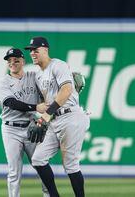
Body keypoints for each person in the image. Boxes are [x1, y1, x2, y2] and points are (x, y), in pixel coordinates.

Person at [25, 37, 90, 197]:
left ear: (45, 49)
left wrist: (46, 114)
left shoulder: (58, 65)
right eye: (30, 50)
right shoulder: (38, 75)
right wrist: (39, 114)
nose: (32, 53)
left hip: (71, 117)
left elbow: (66, 90)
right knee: (38, 159)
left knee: (71, 165)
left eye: (35, 49)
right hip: (54, 120)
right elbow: (45, 102)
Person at [0, 48, 49, 197]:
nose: (12, 63)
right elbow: (11, 103)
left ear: (23, 61)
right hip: (10, 130)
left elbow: (49, 89)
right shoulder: (2, 83)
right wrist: (36, 107)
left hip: (32, 127)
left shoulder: (34, 76)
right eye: (9, 60)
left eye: (16, 60)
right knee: (14, 171)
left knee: (41, 166)